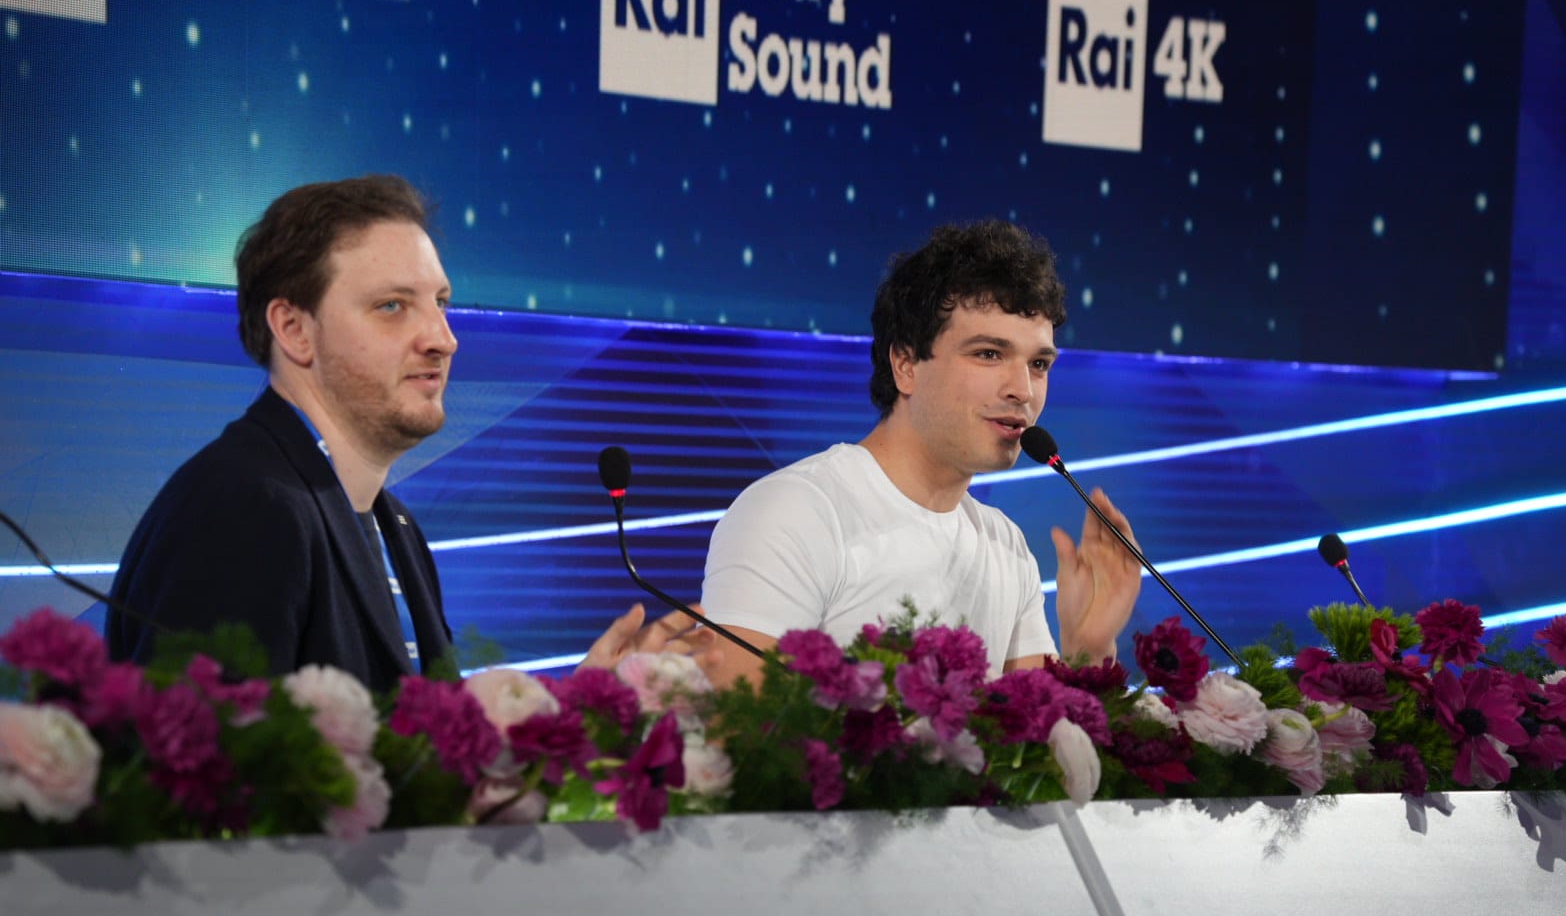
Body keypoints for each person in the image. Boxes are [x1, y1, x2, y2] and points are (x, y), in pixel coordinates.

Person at [107, 175, 706, 691]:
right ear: (293, 329)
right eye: (393, 306)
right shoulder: (242, 507)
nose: (443, 339)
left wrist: (583, 705)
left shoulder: (393, 524)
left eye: (440, 302)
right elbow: (202, 772)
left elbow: (421, 759)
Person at [701, 219, 1142, 684]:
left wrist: (1088, 649)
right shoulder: (794, 512)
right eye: (989, 354)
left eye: (1038, 363)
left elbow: (1038, 728)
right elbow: (740, 721)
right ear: (906, 364)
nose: (1023, 390)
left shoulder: (1006, 544)